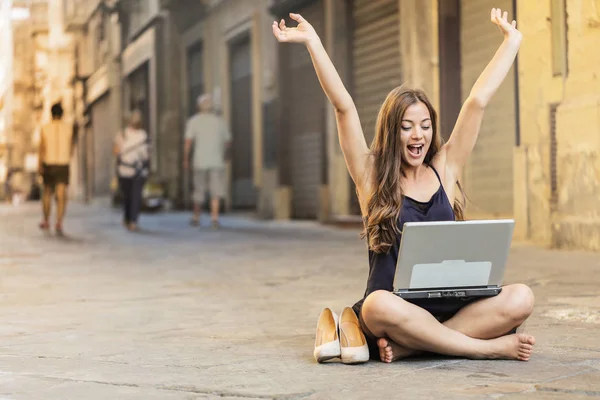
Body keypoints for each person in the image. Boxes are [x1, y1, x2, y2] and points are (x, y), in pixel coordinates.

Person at [273, 8, 536, 362]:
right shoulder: (372, 176)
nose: (418, 135)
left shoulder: (445, 169)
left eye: (425, 125)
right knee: (377, 305)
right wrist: (313, 42)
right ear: (391, 131)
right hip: (397, 310)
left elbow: (477, 101)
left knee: (522, 297)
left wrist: (511, 43)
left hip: (451, 307)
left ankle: (415, 345)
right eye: (407, 126)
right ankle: (484, 348)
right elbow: (343, 107)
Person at [183, 94, 231, 228]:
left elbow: (188, 142)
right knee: (215, 191)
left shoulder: (193, 121)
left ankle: (196, 217)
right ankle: (214, 219)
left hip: (200, 161)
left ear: (198, 106)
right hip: (216, 161)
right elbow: (227, 143)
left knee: (199, 189)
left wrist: (186, 159)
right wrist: (225, 155)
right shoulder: (220, 121)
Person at [38, 101, 74, 235]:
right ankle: (59, 221)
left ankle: (46, 220)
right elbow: (71, 147)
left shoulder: (45, 128)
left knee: (47, 192)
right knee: (61, 193)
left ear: (51, 113)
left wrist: (39, 165)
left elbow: (42, 148)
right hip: (63, 163)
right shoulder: (69, 128)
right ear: (62, 113)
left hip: (49, 162)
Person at [114, 110, 150, 232]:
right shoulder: (123, 134)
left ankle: (133, 221)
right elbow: (116, 151)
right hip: (126, 170)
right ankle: (128, 219)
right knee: (128, 196)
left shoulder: (142, 135)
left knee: (135, 196)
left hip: (136, 170)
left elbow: (116, 152)